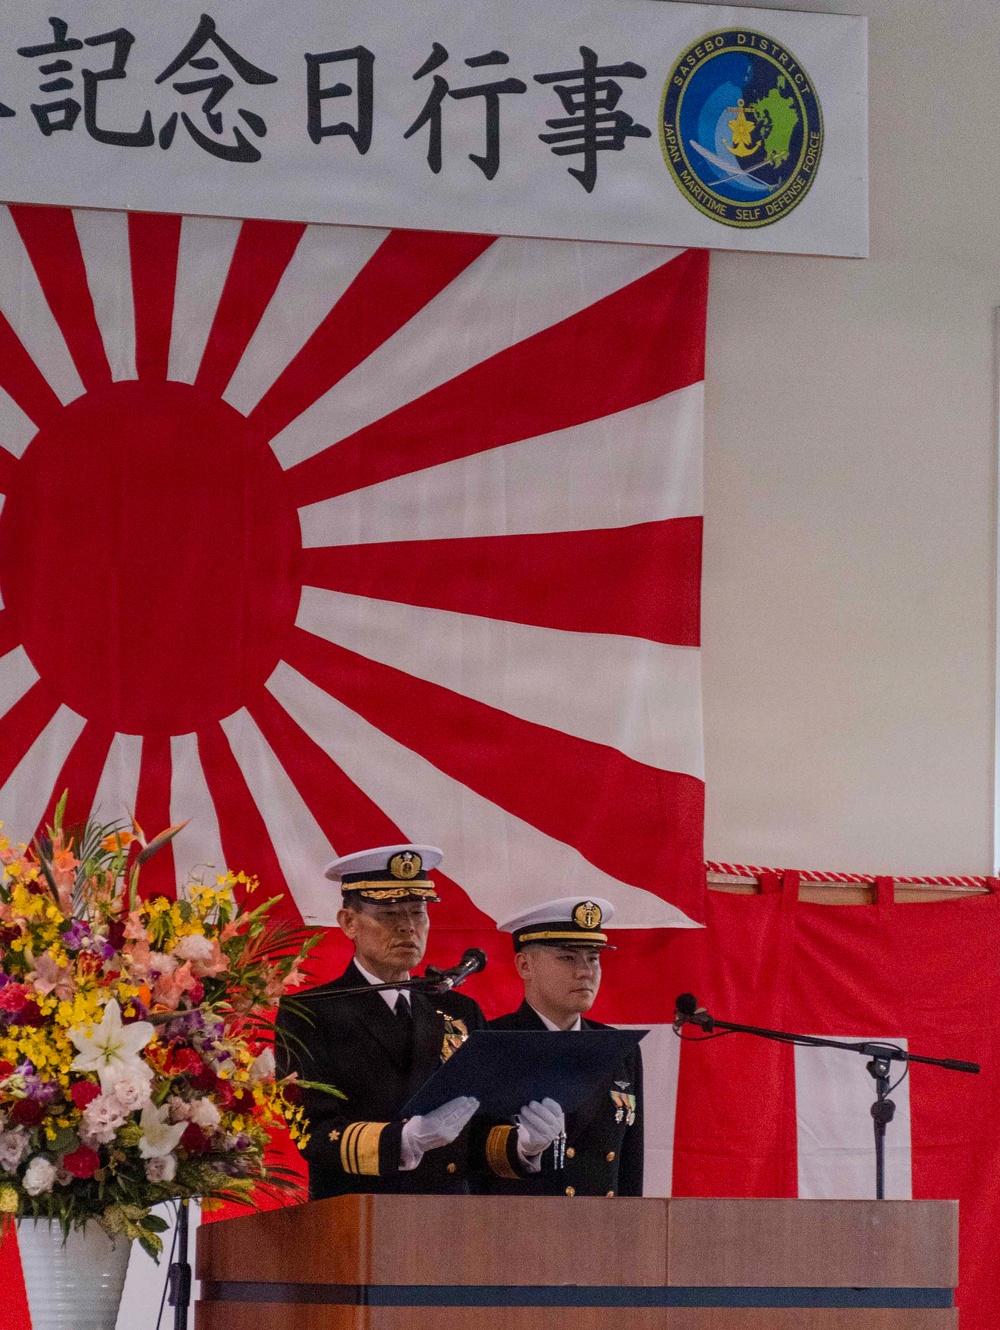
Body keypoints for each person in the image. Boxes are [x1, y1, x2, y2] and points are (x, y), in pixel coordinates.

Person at [275, 845, 564, 1198]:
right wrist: (403, 1141)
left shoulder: (460, 1011)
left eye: (417, 913)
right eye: (388, 915)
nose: (407, 928)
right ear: (349, 922)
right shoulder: (312, 1012)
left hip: (451, 1220)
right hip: (359, 1218)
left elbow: (483, 1127)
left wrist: (524, 1145)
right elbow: (313, 1132)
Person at [483, 897, 644, 1198]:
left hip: (600, 1230)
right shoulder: (492, 1043)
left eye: (593, 957)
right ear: (525, 965)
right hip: (516, 1228)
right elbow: (474, 1162)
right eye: (568, 958)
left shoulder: (618, 1048)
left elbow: (629, 1166)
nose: (585, 972)